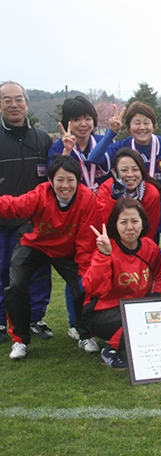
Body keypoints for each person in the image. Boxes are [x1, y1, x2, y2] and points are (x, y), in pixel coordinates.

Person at [0, 155, 97, 360]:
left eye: (70, 180)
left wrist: (84, 274)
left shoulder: (87, 198)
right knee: (15, 286)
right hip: (34, 245)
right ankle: (20, 340)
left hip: (66, 250)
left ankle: (84, 333)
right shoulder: (40, 194)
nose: (65, 185)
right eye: (59, 180)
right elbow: (13, 206)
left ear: (78, 181)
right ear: (50, 181)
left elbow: (86, 240)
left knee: (85, 284)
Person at [48, 95, 113, 341]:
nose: (83, 124)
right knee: (75, 272)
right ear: (67, 122)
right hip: (75, 218)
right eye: (76, 119)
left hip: (102, 215)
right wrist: (66, 152)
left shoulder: (104, 143)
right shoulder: (58, 147)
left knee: (103, 267)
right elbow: (53, 181)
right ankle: (76, 322)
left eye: (87, 118)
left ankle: (100, 316)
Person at [82, 198, 161, 371]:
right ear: (115, 225)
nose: (130, 227)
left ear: (143, 223)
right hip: (101, 313)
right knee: (137, 316)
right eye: (123, 222)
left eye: (134, 221)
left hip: (137, 307)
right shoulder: (108, 249)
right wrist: (104, 256)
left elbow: (160, 276)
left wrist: (158, 296)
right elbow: (93, 288)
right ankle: (110, 351)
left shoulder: (150, 247)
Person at [89, 101, 161, 243]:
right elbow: (94, 158)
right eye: (136, 123)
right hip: (139, 209)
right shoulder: (122, 147)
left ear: (154, 126)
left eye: (146, 122)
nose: (142, 127)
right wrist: (111, 132)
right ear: (129, 128)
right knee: (143, 251)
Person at [0, 81, 53, 343]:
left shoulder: (42, 138)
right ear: (0, 105)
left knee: (38, 272)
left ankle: (35, 318)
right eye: (7, 100)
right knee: (3, 271)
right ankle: (1, 321)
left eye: (18, 99)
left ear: (27, 103)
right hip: (2, 220)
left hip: (34, 222)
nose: (14, 104)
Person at [96, 148, 161, 240]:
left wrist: (136, 250)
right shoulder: (106, 188)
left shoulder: (151, 193)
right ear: (114, 172)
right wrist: (114, 198)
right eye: (124, 170)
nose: (130, 174)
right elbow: (102, 225)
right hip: (111, 243)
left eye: (135, 169)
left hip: (140, 244)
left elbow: (149, 230)